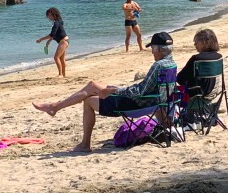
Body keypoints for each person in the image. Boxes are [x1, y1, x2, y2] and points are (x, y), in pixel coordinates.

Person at [33, 32, 176, 152]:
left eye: (153, 48)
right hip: (154, 102)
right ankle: (55, 107)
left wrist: (117, 90)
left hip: (136, 104)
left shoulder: (158, 66)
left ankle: (83, 143)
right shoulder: (171, 64)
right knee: (92, 86)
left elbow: (140, 91)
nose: (151, 51)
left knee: (89, 98)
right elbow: (150, 89)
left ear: (158, 49)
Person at [176, 29, 222, 97]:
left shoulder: (197, 59)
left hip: (198, 96)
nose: (195, 44)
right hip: (213, 94)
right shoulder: (218, 57)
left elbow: (180, 78)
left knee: (171, 93)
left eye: (196, 42)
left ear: (205, 42)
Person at [35, 7, 69, 78]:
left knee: (56, 57)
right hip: (65, 41)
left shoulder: (56, 23)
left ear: (54, 14)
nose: (48, 17)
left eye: (49, 15)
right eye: (47, 15)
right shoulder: (58, 22)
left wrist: (41, 39)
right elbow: (56, 34)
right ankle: (64, 75)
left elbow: (52, 34)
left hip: (63, 42)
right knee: (61, 59)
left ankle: (60, 74)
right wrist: (49, 41)